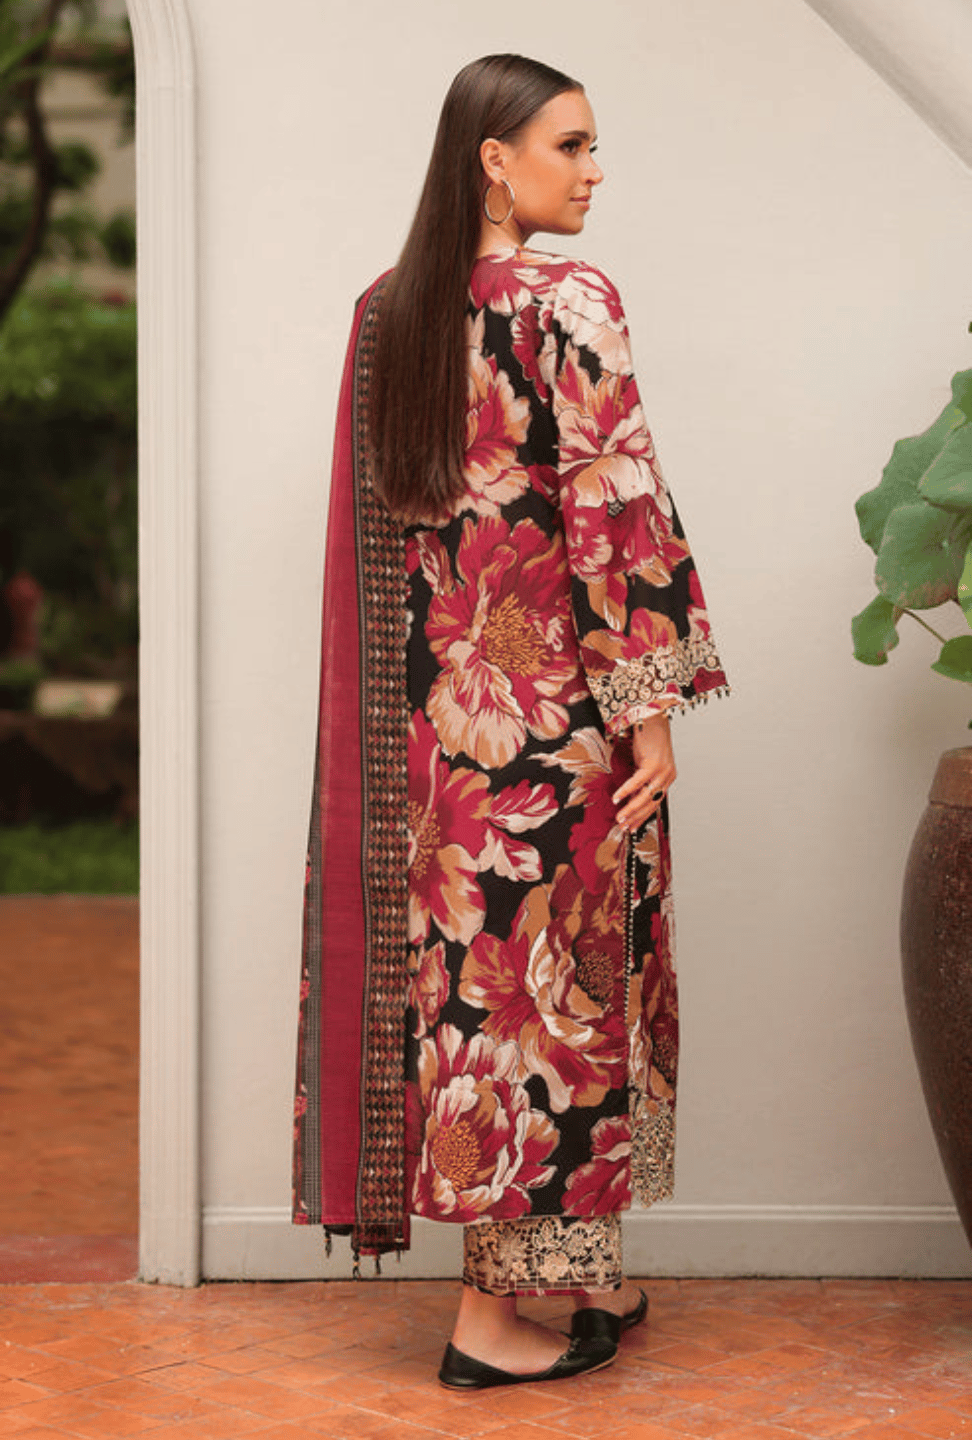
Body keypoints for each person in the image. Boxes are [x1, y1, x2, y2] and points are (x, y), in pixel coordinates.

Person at [293, 53, 728, 1390]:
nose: (593, 171)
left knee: (492, 1011)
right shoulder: (567, 299)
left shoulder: (392, 309)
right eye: (572, 144)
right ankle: (489, 1324)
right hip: (554, 730)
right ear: (495, 155)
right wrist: (649, 708)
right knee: (561, 1001)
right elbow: (612, 505)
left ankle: (569, 1276)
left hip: (439, 743)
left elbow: (397, 546)